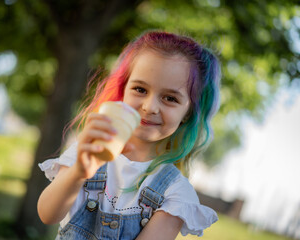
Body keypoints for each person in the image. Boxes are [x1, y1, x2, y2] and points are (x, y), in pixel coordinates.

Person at [37, 30, 221, 240]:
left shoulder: (176, 193)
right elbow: (47, 215)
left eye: (170, 98)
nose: (150, 107)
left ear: (188, 113)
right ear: (123, 91)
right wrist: (79, 171)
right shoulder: (88, 150)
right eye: (140, 89)